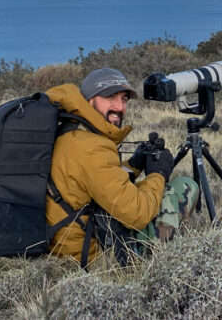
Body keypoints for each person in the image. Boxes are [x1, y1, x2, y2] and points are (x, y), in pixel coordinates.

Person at [44, 67, 198, 264]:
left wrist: (134, 165)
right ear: (90, 99)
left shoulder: (71, 131)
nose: (120, 107)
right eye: (111, 97)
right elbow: (138, 214)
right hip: (92, 256)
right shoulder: (91, 147)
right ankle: (161, 258)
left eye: (124, 99)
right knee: (184, 186)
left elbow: (96, 181)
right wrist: (158, 173)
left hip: (63, 240)